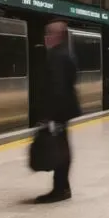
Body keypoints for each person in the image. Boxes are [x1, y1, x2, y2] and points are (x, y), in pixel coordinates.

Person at [38, 19, 81, 203]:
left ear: (57, 36)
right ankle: (63, 187)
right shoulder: (66, 54)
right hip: (66, 108)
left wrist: (49, 115)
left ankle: (60, 189)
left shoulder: (56, 56)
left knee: (60, 149)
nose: (46, 38)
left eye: (49, 34)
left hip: (60, 110)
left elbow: (57, 87)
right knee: (62, 147)